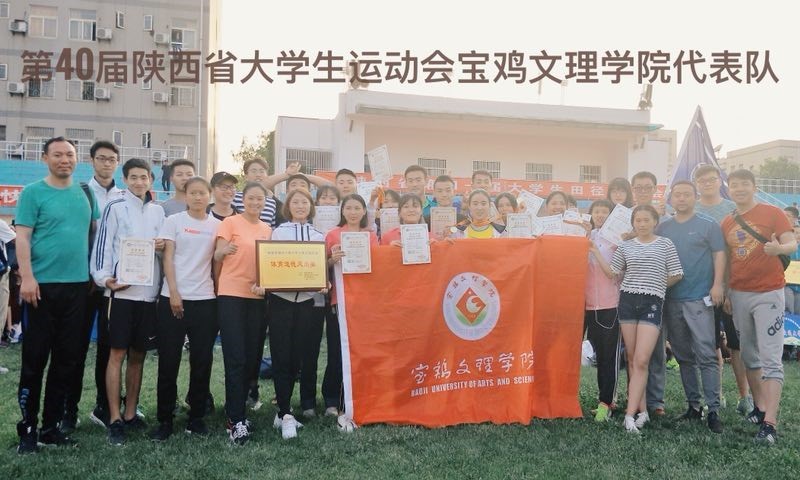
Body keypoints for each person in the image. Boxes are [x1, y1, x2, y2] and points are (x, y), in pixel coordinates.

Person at [15, 137, 100, 453]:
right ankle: (27, 429)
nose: (65, 160)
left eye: (70, 155)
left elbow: (95, 234)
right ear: (45, 158)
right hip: (41, 288)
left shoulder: (85, 193)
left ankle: (50, 429)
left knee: (66, 361)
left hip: (78, 287)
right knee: (35, 361)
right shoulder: (33, 192)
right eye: (58, 155)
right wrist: (27, 277)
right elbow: (22, 237)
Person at [91, 158, 165, 446]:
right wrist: (104, 278)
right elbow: (103, 245)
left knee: (138, 355)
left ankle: (131, 412)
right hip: (120, 294)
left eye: (143, 177)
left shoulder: (158, 211)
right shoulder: (115, 207)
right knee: (117, 354)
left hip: (148, 295)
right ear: (125, 179)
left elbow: (165, 249)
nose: (138, 182)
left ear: (151, 180)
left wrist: (161, 246)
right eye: (133, 177)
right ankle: (114, 418)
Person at [721, 169, 796, 444]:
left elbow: (791, 242)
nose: (739, 189)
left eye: (744, 184)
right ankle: (760, 407)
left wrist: (779, 250)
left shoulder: (772, 213)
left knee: (771, 358)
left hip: (769, 293)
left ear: (754, 187)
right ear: (729, 189)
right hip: (739, 294)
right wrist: (727, 292)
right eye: (734, 185)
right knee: (749, 354)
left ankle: (770, 424)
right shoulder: (727, 221)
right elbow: (727, 260)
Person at [596, 205, 683, 433]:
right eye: (638, 220)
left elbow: (677, 273)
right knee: (632, 358)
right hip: (627, 301)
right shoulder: (625, 246)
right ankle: (642, 411)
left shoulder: (665, 244)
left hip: (652, 303)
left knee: (642, 359)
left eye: (646, 220)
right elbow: (613, 272)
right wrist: (594, 250)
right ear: (633, 223)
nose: (642, 224)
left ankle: (629, 415)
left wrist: (656, 285)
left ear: (655, 221)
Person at [149, 177, 220, 441]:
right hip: (173, 299)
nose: (198, 197)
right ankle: (165, 420)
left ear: (209, 196)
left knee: (202, 361)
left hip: (205, 300)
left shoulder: (217, 225)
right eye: (193, 193)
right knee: (169, 361)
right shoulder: (174, 221)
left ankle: (196, 418)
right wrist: (174, 292)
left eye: (202, 193)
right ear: (186, 195)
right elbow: (168, 258)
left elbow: (217, 262)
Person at [254, 189, 326, 439]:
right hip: (281, 301)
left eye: (304, 202)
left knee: (297, 358)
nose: (300, 205)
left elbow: (320, 268)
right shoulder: (278, 232)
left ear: (311, 206)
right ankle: (285, 413)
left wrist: (323, 282)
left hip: (306, 301)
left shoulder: (318, 235)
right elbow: (269, 264)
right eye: (295, 202)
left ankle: (282, 412)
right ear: (288, 206)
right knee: (281, 355)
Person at [64, 140, 124, 433]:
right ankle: (68, 409)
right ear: (91, 161)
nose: (106, 163)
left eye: (111, 159)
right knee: (75, 348)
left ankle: (104, 406)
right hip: (84, 283)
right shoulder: (79, 193)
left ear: (117, 163)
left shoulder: (124, 196)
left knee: (109, 348)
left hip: (115, 286)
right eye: (101, 158)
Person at [657, 181, 725, 433]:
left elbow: (719, 254)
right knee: (684, 356)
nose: (682, 198)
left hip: (699, 298)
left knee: (706, 354)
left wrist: (717, 285)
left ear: (695, 197)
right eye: (677, 195)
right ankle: (694, 406)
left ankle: (713, 409)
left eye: (687, 194)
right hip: (672, 299)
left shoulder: (708, 224)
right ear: (671, 199)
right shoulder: (663, 228)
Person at [215, 182, 272, 445]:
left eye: (260, 199)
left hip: (257, 298)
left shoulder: (267, 229)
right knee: (236, 358)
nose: (255, 202)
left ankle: (238, 410)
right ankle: (235, 420)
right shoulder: (230, 222)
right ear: (243, 200)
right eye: (251, 198)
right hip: (231, 296)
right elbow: (217, 255)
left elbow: (269, 264)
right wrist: (223, 251)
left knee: (252, 358)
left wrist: (266, 284)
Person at [693, 164, 753, 415]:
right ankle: (715, 396)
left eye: (711, 179)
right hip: (700, 286)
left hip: (733, 284)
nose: (707, 183)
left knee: (737, 344)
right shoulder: (692, 209)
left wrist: (728, 286)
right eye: (702, 181)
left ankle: (745, 396)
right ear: (696, 185)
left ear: (720, 181)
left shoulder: (733, 209)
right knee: (709, 343)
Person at [325, 194, 379, 431]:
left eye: (358, 208)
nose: (353, 212)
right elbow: (321, 266)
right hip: (340, 299)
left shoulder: (371, 236)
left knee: (361, 352)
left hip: (365, 302)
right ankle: (331, 399)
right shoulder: (333, 235)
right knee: (337, 351)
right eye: (349, 207)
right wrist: (331, 260)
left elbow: (379, 265)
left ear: (364, 211)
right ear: (343, 211)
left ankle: (358, 397)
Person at [629, 171, 670, 416]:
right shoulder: (624, 216)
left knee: (655, 349)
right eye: (638, 187)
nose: (643, 191)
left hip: (657, 293)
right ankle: (634, 400)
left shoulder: (666, 219)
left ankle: (655, 401)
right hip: (629, 293)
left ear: (655, 189)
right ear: (633, 190)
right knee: (632, 353)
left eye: (647, 187)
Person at [585, 199, 621, 422]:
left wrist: (595, 251)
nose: (600, 215)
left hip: (610, 305)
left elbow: (614, 273)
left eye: (604, 212)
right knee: (598, 355)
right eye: (596, 211)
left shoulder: (616, 240)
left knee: (609, 356)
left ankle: (607, 402)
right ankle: (603, 399)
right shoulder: (585, 236)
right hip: (587, 306)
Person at [232, 158, 280, 227]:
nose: (258, 175)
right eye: (254, 171)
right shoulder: (235, 198)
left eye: (262, 171)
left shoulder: (271, 202)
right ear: (246, 176)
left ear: (267, 175)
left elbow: (271, 229)